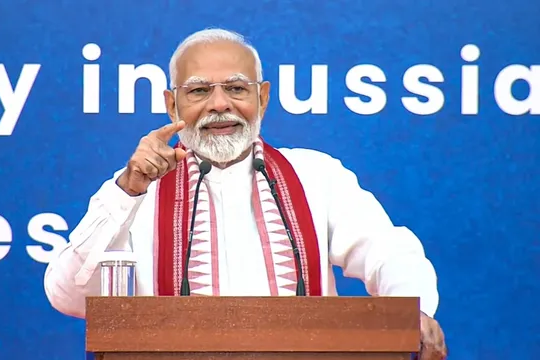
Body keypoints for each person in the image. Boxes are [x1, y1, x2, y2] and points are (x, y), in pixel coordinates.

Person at [44, 28, 447, 359]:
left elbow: (388, 252)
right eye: (199, 92)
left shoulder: (315, 175)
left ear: (263, 98)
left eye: (236, 88)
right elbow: (67, 294)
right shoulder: (134, 188)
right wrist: (128, 193)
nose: (220, 104)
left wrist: (414, 309)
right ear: (172, 105)